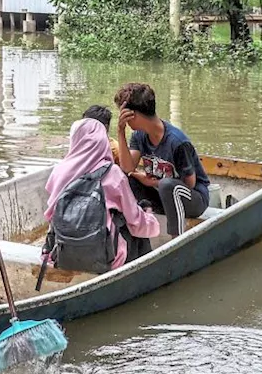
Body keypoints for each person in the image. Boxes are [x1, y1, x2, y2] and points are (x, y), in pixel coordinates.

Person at [45, 118, 161, 269]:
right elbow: (135, 221)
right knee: (138, 229)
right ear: (103, 142)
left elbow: (51, 215)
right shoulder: (113, 174)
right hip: (107, 258)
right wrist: (151, 219)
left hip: (63, 252)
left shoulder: (59, 171)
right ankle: (144, 274)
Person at [113, 83, 211, 236]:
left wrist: (153, 183)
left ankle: (176, 241)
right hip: (164, 195)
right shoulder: (139, 136)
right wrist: (120, 131)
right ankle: (136, 234)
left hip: (193, 200)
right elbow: (127, 168)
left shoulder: (177, 142)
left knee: (166, 185)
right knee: (123, 178)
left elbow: (189, 184)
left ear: (133, 114)